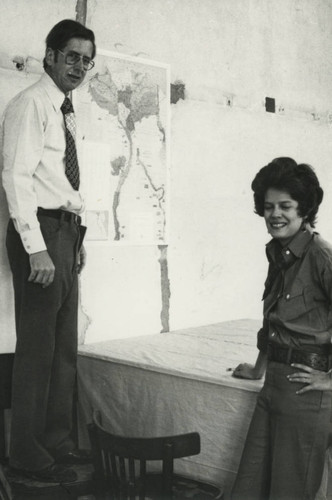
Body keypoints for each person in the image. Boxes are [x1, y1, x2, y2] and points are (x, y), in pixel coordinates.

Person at [1, 19, 96, 483]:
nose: (79, 65)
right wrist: (36, 249)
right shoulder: (30, 104)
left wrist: (76, 238)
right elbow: (16, 179)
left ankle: (57, 441)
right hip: (40, 233)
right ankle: (26, 455)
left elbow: (62, 182)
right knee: (38, 351)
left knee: (63, 350)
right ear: (51, 56)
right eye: (71, 56)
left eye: (86, 59)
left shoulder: (65, 110)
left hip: (66, 233)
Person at [231, 157, 332, 500]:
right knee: (248, 488)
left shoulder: (321, 257)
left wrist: (331, 379)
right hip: (273, 384)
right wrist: (258, 368)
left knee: (288, 493)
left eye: (285, 206)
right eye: (269, 206)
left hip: (305, 395)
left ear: (304, 209)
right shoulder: (279, 253)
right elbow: (272, 320)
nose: (275, 214)